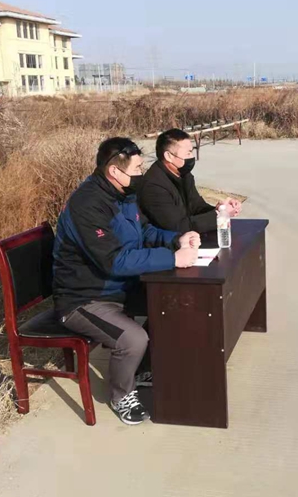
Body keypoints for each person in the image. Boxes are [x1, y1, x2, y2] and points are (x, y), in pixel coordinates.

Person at [52, 137, 200, 425]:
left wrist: (176, 239)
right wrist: (173, 259)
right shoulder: (87, 205)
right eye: (137, 169)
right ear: (114, 171)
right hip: (84, 298)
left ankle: (142, 369)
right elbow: (114, 261)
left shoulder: (123, 194)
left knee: (174, 304)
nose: (141, 174)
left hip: (118, 288)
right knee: (133, 338)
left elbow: (144, 231)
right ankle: (122, 396)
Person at [139, 128, 242, 233]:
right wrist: (218, 216)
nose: (192, 157)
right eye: (188, 153)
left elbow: (196, 207)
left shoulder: (184, 175)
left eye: (192, 152)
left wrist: (220, 209)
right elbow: (178, 227)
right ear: (169, 156)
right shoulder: (153, 186)